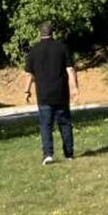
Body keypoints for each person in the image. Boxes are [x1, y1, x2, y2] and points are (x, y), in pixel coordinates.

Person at [22, 22, 80, 164]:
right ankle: (69, 154)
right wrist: (74, 88)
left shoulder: (34, 51)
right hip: (61, 93)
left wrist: (26, 91)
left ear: (39, 33)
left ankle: (48, 154)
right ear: (53, 32)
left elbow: (29, 74)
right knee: (65, 124)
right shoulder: (62, 48)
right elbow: (70, 70)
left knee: (45, 125)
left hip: (43, 95)